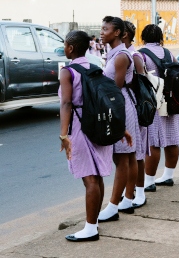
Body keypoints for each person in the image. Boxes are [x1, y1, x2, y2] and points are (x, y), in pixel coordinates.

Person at [59, 30, 125, 242]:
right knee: (97, 177)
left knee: (89, 179)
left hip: (80, 125)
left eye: (65, 45)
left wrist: (63, 134)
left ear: (70, 47)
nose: (64, 48)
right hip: (99, 123)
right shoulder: (95, 68)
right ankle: (93, 223)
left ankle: (90, 229)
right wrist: (120, 127)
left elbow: (66, 103)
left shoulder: (67, 72)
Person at [98, 16, 142, 222]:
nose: (101, 32)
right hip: (121, 105)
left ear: (117, 33)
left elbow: (115, 87)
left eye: (106, 29)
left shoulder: (121, 56)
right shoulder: (114, 53)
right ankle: (128, 198)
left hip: (121, 107)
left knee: (122, 158)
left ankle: (114, 205)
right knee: (129, 156)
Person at [139, 24, 179, 192]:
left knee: (153, 143)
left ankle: (149, 181)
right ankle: (168, 176)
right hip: (172, 102)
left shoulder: (141, 54)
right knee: (172, 139)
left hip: (154, 104)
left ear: (143, 37)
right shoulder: (168, 53)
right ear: (160, 38)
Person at [122, 20, 147, 208]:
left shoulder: (134, 55)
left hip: (136, 107)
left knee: (137, 153)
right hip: (127, 105)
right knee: (129, 153)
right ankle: (128, 191)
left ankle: (140, 192)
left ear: (123, 34)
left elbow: (143, 83)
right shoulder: (119, 53)